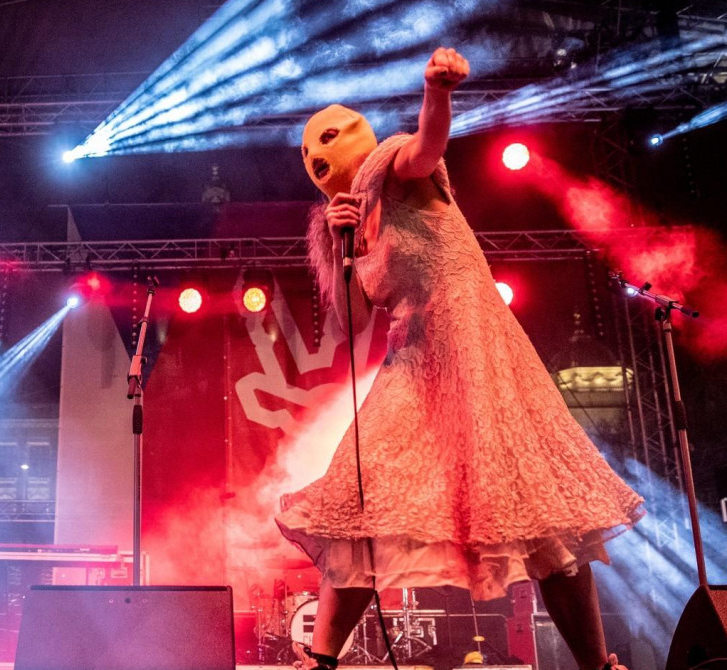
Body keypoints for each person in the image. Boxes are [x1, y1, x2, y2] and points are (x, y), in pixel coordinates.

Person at [275, 48, 643, 670]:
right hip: (414, 364)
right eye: (310, 153)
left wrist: (437, 91)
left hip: (476, 351)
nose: (318, 157)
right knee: (360, 495)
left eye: (329, 140)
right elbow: (355, 322)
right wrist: (340, 247)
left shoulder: (393, 163)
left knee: (538, 505)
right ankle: (322, 660)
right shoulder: (345, 223)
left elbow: (428, 145)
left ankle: (597, 664)